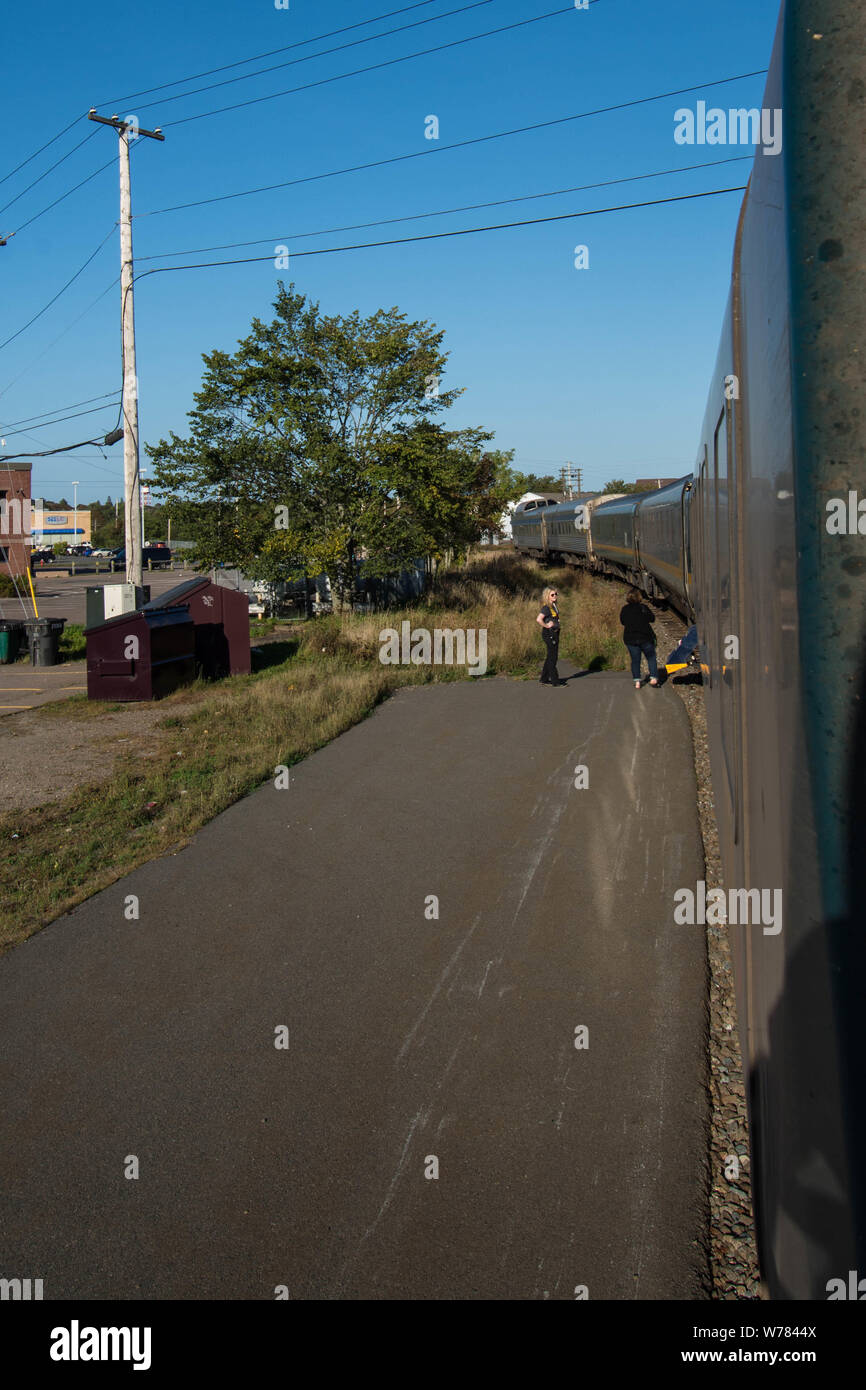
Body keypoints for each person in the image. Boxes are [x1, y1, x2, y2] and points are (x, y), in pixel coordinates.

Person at [620, 588, 659, 689]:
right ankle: (653, 678)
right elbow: (652, 619)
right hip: (645, 638)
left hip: (630, 639)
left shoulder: (625, 609)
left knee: (635, 660)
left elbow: (622, 621)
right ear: (639, 597)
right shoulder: (643, 608)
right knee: (651, 657)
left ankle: (637, 682)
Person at [536, 586, 563, 685]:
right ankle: (555, 681)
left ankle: (544, 679)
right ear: (547, 596)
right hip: (549, 634)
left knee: (550, 656)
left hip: (554, 633)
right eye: (552, 594)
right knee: (553, 658)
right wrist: (547, 626)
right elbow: (539, 619)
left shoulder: (553, 605)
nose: (555, 596)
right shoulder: (546, 608)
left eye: (556, 594)